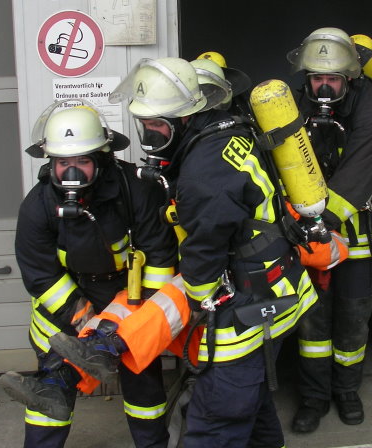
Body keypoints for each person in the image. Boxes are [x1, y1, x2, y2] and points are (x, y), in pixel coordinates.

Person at [100, 57, 318, 448]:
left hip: (248, 308)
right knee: (250, 402)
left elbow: (205, 249)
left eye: (156, 126)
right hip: (277, 286)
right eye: (144, 125)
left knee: (216, 419)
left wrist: (198, 298)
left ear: (184, 118)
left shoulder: (204, 173)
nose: (149, 136)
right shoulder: (225, 129)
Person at [0, 99, 178, 448]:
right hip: (67, 299)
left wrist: (132, 320)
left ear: (103, 157)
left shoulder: (135, 190)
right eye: (64, 162)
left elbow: (159, 256)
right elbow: (40, 274)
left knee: (143, 383)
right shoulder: (38, 206)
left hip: (129, 296)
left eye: (83, 161)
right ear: (50, 162)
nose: (73, 172)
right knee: (52, 385)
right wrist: (81, 316)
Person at [285, 27, 372, 433]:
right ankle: (313, 398)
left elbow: (361, 170)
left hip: (358, 235)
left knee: (352, 318)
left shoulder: (371, 110)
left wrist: (323, 222)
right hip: (309, 235)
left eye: (333, 79)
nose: (325, 87)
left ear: (349, 78)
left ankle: (347, 390)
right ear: (307, 79)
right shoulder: (293, 107)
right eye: (318, 79)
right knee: (312, 321)